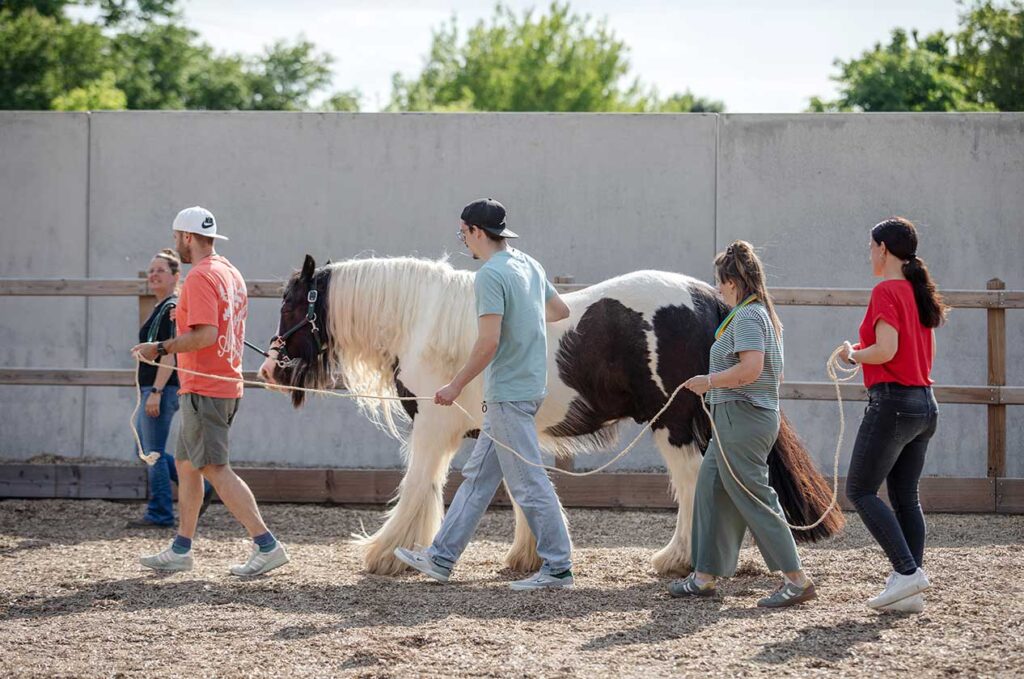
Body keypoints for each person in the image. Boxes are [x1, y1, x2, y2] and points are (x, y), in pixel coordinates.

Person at [393, 198, 574, 590]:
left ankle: (559, 567)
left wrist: (455, 384)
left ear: (477, 231)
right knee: (477, 478)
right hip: (526, 387)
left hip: (509, 391)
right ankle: (441, 558)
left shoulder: (490, 275)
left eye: (464, 234)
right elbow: (560, 311)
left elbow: (488, 342)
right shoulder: (529, 265)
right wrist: (524, 322)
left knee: (527, 482)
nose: (464, 242)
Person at [133, 206, 289, 576]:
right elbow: (215, 323)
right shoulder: (229, 272)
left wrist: (160, 348)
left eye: (176, 238)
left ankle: (266, 544)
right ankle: (181, 548)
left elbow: (205, 335)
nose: (176, 245)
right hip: (218, 383)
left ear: (187, 237)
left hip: (206, 386)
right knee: (188, 467)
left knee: (214, 468)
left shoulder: (201, 276)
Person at [669, 240, 816, 608]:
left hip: (741, 418)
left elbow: (751, 369)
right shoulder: (755, 315)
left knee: (754, 496)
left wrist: (710, 381)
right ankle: (704, 575)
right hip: (736, 418)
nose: (717, 289)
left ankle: (796, 579)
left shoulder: (749, 317)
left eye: (720, 281)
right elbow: (770, 375)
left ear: (733, 281)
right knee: (709, 488)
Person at [841, 217, 946, 613]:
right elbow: (914, 352)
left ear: (883, 248)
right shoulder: (920, 294)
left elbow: (885, 350)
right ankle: (909, 590)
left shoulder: (886, 290)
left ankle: (907, 572)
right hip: (924, 403)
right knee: (905, 497)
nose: (869, 254)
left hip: (893, 403)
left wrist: (852, 353)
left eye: (871, 247)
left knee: (860, 490)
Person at [125, 249, 212, 529]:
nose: (153, 275)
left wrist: (157, 391)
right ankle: (206, 487)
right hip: (153, 386)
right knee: (148, 449)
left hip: (161, 387)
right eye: (151, 270)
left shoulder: (172, 308)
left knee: (153, 452)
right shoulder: (162, 307)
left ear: (177, 276)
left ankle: (160, 512)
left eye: (160, 270)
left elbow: (170, 354)